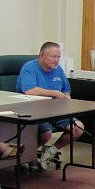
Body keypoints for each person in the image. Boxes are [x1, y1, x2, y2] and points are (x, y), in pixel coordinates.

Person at [16, 41, 84, 169]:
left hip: (56, 110)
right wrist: (55, 93)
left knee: (78, 128)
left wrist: (66, 96)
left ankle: (50, 152)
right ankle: (24, 154)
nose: (56, 60)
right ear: (41, 55)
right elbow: (30, 90)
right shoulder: (29, 67)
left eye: (58, 57)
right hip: (34, 110)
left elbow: (66, 90)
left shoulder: (58, 70)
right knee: (46, 134)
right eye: (52, 57)